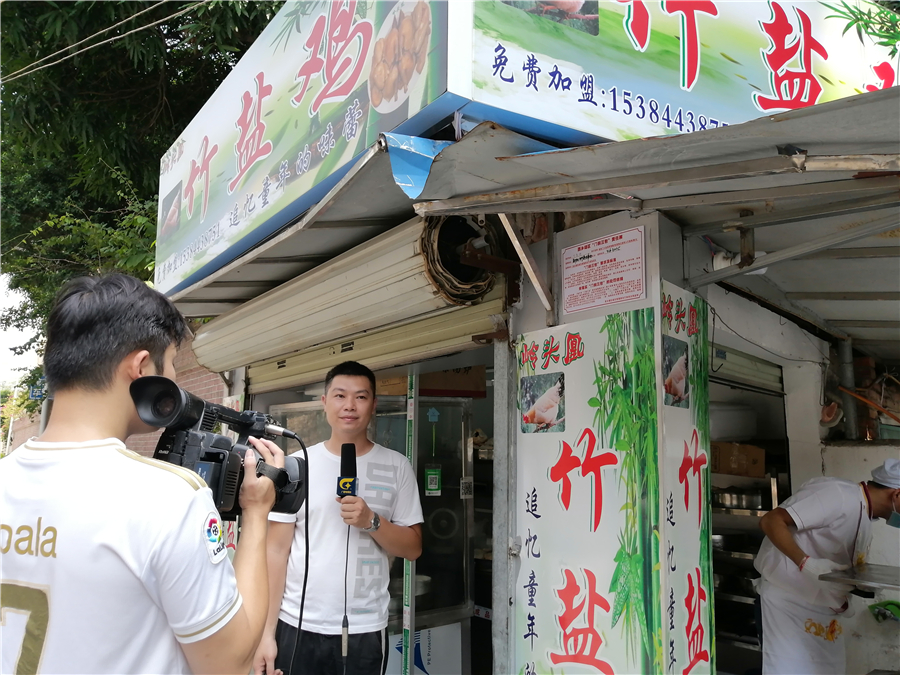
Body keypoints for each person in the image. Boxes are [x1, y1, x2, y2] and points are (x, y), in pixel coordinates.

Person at [0, 274, 285, 675]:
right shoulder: (170, 497)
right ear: (140, 368)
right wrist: (256, 514)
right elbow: (229, 662)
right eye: (171, 366)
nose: (174, 383)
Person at [254, 361, 424, 675]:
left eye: (360, 397)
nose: (349, 406)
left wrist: (372, 521)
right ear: (324, 403)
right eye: (340, 396)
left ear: (373, 404)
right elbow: (276, 552)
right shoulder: (295, 466)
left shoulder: (397, 466)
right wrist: (265, 634)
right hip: (296, 622)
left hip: (365, 629)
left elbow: (413, 548)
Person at [754, 458, 900, 675]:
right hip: (787, 607)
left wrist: (860, 585)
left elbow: (837, 565)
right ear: (897, 494)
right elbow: (771, 521)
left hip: (822, 614)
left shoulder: (866, 518)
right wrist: (806, 564)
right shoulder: (837, 495)